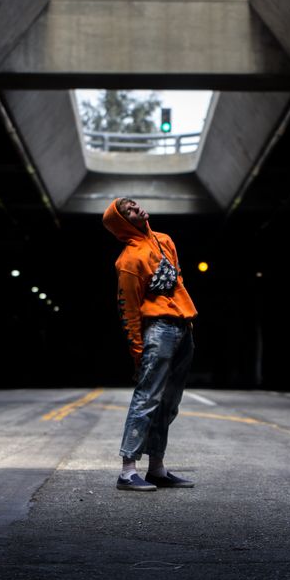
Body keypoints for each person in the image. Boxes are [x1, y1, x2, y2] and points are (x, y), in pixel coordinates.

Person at [102, 197, 198, 491]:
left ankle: (156, 468)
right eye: (128, 210)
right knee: (147, 398)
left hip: (183, 327)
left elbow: (177, 282)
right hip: (158, 329)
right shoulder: (129, 260)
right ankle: (127, 470)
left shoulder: (164, 240)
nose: (137, 209)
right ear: (123, 223)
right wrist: (137, 352)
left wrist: (186, 320)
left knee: (170, 402)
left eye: (134, 204)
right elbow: (128, 310)